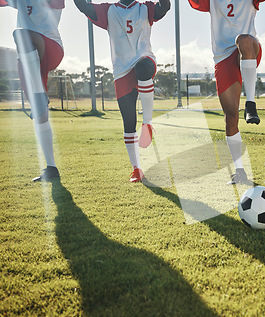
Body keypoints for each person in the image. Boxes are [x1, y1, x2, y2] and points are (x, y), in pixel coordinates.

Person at [74, 0, 170, 182]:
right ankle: (137, 169)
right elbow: (83, 6)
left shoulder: (145, 7)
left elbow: (164, 7)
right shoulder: (108, 10)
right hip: (121, 72)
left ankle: (147, 123)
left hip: (144, 60)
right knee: (128, 122)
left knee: (143, 67)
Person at [188, 0, 264, 185]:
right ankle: (239, 171)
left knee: (243, 39)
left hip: (249, 51)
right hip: (223, 57)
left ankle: (251, 104)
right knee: (230, 118)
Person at [1, 0, 65, 182]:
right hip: (26, 58)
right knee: (40, 114)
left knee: (20, 33)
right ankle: (51, 167)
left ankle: (39, 94)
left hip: (50, 46)